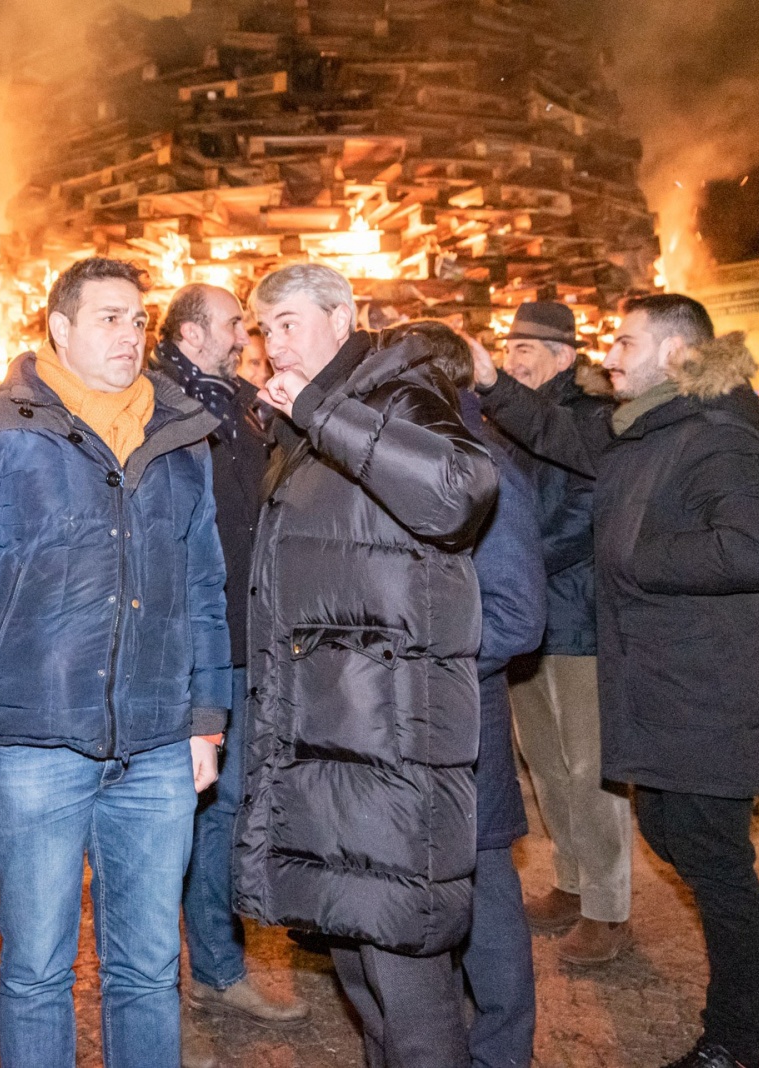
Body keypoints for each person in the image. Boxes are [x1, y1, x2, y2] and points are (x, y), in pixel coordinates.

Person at [470, 295, 759, 1068]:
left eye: (623, 339)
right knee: (676, 836)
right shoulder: (647, 426)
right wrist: (490, 382)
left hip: (714, 690)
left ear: (677, 354)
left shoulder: (720, 439)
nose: (608, 353)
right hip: (668, 687)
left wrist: (636, 561)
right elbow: (557, 432)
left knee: (713, 858)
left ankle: (738, 1038)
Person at [0, 257, 231, 1068]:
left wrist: (206, 721)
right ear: (58, 328)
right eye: (109, 317)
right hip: (33, 747)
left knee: (149, 969)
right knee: (39, 970)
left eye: (138, 318)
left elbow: (205, 589)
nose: (130, 334)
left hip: (156, 747)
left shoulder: (179, 438)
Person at [236, 265, 498, 1068]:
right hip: (333, 741)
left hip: (393, 743)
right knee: (360, 972)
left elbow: (459, 489)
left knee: (410, 988)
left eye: (288, 323)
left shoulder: (398, 392)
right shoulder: (311, 423)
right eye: (263, 330)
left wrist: (317, 408)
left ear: (344, 316)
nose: (273, 344)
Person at [154, 285, 308, 1067]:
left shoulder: (243, 403)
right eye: (232, 324)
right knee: (160, 825)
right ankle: (152, 1004)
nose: (244, 335)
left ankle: (217, 969)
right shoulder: (155, 402)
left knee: (224, 810)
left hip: (241, 645)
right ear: (190, 333)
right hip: (180, 650)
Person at [488, 302, 634, 965]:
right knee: (544, 762)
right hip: (525, 620)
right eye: (512, 345)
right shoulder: (508, 420)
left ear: (566, 356)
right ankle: (573, 883)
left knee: (590, 766)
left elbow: (584, 516)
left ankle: (609, 908)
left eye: (531, 347)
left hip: (576, 617)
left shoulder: (585, 422)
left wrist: (513, 565)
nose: (515, 358)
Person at [420, 321, 548, 1068]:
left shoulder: (487, 468)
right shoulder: (426, 462)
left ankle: (502, 1053)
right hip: (428, 725)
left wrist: (426, 667)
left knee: (489, 898)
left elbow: (516, 618)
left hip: (464, 722)